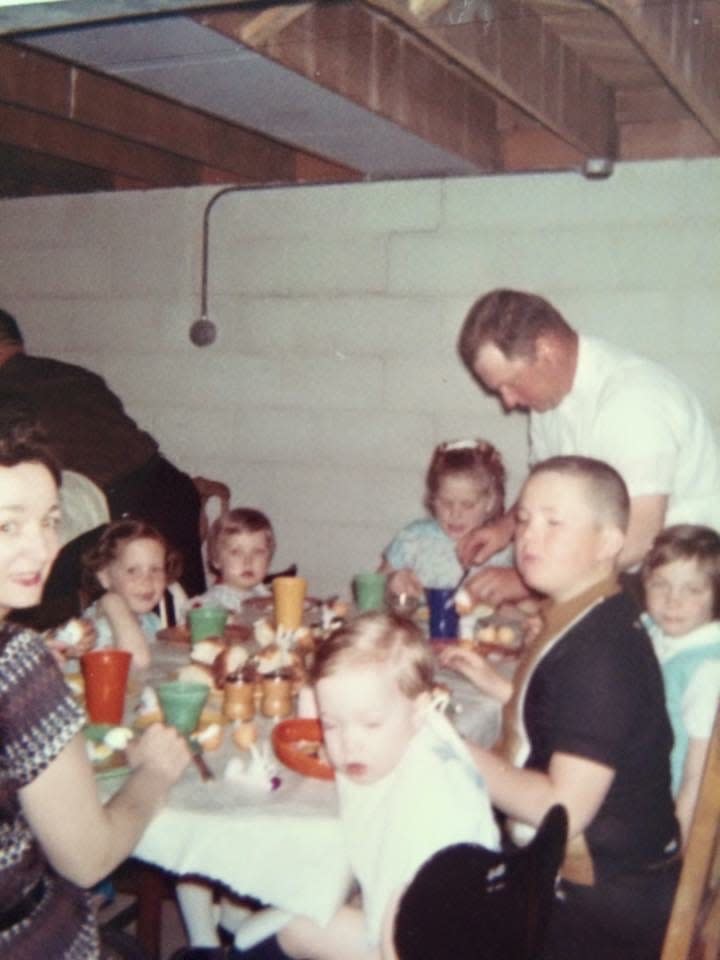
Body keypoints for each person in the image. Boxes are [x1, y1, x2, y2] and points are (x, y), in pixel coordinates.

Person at [461, 455, 680, 960]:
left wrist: (451, 746)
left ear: (608, 544)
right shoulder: (586, 613)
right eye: (524, 520)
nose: (529, 537)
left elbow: (562, 810)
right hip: (584, 874)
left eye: (554, 523)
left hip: (601, 905)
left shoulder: (599, 653)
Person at [0, 401, 190, 957]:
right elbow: (89, 858)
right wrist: (154, 774)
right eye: (8, 524)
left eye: (50, 520)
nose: (41, 548)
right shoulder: (17, 664)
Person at [238, 612, 500, 960]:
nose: (349, 744)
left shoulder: (432, 807)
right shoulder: (420, 736)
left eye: (371, 724)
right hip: (439, 928)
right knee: (283, 920)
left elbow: (408, 933)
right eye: (331, 724)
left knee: (282, 930)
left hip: (426, 946)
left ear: (419, 708)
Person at [455, 289, 720, 607]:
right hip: (619, 576)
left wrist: (532, 580)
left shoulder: (633, 400)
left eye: (510, 384)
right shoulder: (547, 400)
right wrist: (502, 528)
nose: (508, 401)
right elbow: (546, 490)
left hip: (690, 587)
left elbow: (639, 537)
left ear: (546, 350)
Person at [0, 307, 206, 625]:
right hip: (171, 487)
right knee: (188, 621)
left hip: (118, 503)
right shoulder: (72, 373)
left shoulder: (7, 391)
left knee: (43, 608)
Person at [640, 524, 720, 845]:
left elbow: (696, 778)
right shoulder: (649, 629)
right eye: (661, 585)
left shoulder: (708, 669)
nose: (673, 602)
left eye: (692, 590)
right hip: (630, 779)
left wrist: (677, 852)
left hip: (663, 807)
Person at [381, 439, 508, 598]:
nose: (455, 514)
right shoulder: (412, 539)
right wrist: (390, 581)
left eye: (467, 505)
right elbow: (373, 588)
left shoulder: (501, 549)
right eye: (446, 503)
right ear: (433, 498)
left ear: (490, 502)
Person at [80, 517, 182, 670]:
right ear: (105, 577)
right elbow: (137, 663)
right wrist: (112, 601)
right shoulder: (96, 629)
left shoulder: (150, 620)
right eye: (132, 571)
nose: (147, 581)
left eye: (155, 569)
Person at [185, 508, 274, 617]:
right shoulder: (211, 604)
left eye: (258, 552)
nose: (248, 561)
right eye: (236, 552)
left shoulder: (264, 595)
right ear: (216, 559)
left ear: (268, 560)